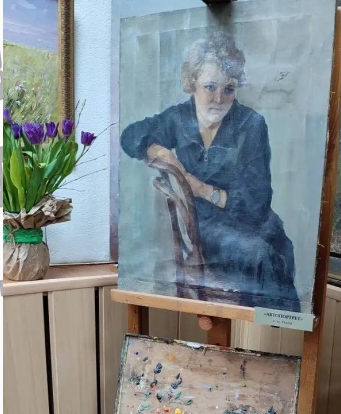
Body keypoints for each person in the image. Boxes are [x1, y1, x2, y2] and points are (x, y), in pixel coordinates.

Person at [120, 31, 300, 312]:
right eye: (210, 86)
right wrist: (159, 151)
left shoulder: (251, 124)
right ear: (192, 82)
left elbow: (257, 203)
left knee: (268, 253)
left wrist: (200, 188)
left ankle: (271, 327)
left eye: (229, 89)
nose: (218, 98)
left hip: (255, 223)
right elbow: (130, 135)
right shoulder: (179, 118)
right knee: (258, 253)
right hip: (206, 225)